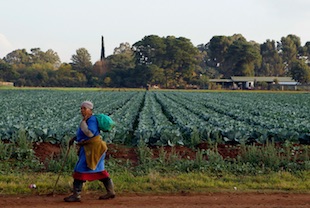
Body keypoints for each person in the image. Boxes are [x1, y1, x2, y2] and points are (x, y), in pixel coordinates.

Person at [64, 101, 115, 202]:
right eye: (81, 108)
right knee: (99, 170)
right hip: (92, 148)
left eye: (84, 108)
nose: (82, 110)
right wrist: (75, 138)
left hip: (93, 149)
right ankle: (110, 192)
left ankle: (76, 195)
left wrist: (83, 123)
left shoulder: (91, 120)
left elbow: (90, 133)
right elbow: (84, 133)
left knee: (80, 169)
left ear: (90, 110)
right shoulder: (89, 119)